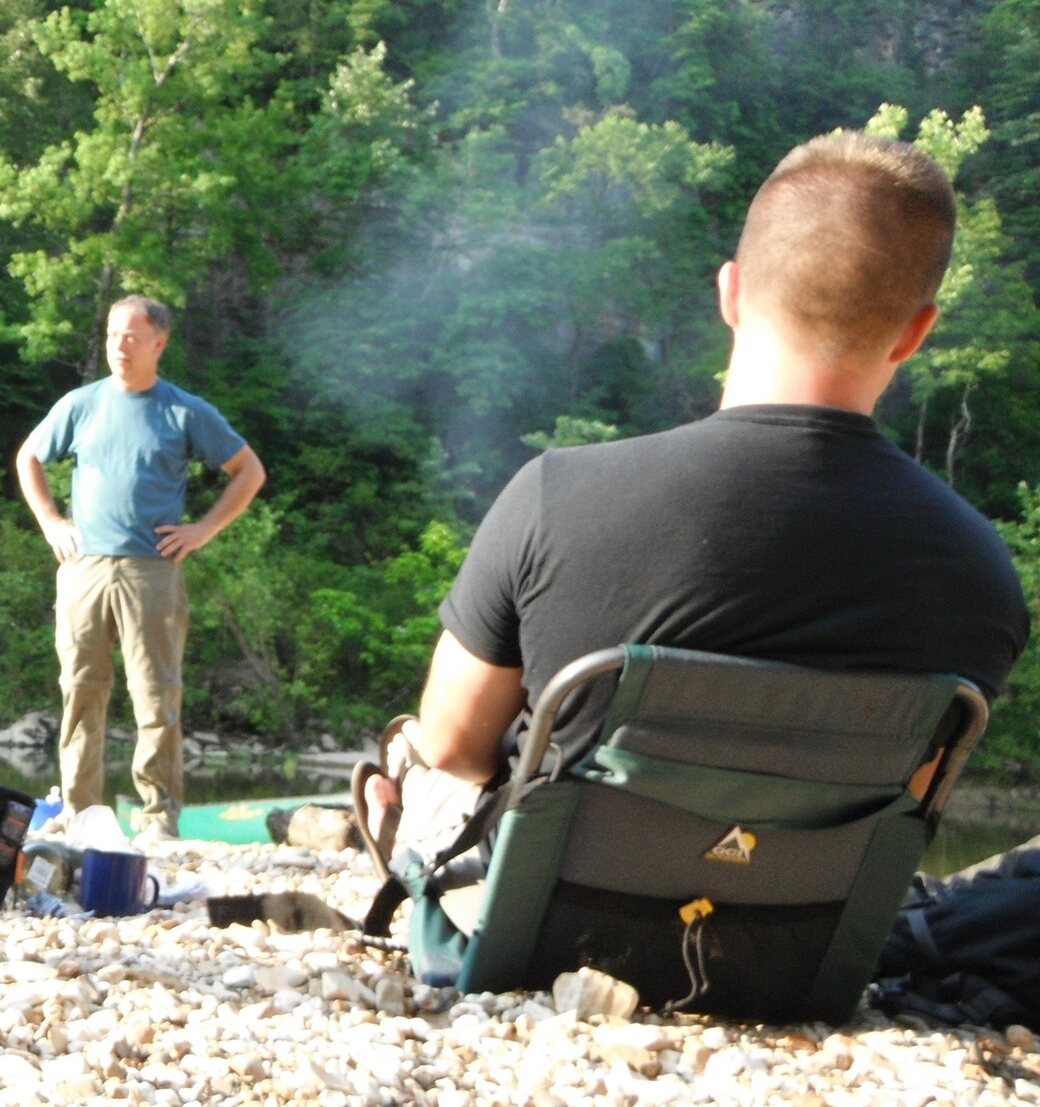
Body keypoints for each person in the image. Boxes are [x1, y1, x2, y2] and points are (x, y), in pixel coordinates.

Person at [362, 130, 1030, 879]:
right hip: (803, 931)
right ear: (916, 332)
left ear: (730, 292)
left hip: (543, 920)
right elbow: (904, 802)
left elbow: (454, 745)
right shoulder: (983, 573)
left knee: (415, 753)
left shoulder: (558, 496)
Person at [16, 296, 268, 840]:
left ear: (159, 342)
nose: (119, 346)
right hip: (84, 566)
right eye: (112, 335)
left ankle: (158, 817)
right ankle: (79, 813)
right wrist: (52, 522)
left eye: (131, 336)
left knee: (156, 692)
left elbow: (249, 471)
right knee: (80, 688)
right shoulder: (81, 404)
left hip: (152, 570)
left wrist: (203, 530)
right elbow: (28, 457)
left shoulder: (184, 411)